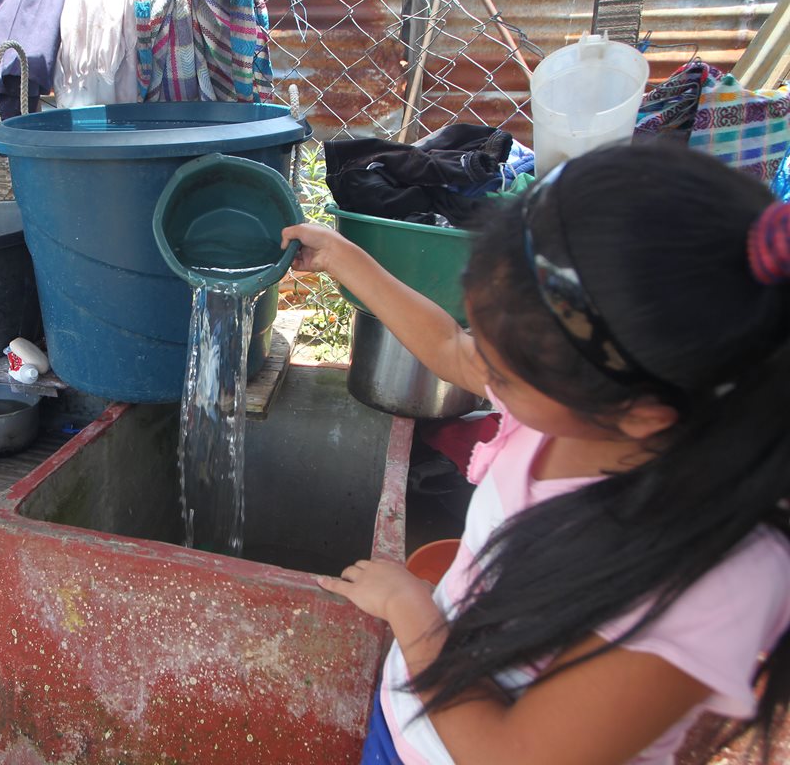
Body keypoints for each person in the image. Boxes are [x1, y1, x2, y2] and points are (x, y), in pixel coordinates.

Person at [281, 143, 790, 765]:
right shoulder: (578, 399)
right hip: (414, 720)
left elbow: (513, 754)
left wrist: (411, 609)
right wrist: (341, 257)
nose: (479, 364)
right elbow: (448, 346)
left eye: (503, 369)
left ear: (642, 414)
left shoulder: (706, 580)